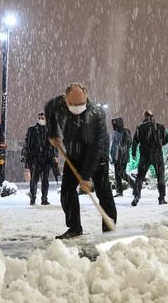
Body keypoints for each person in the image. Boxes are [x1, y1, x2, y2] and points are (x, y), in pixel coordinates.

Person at [45, 83, 117, 239]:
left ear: (87, 97)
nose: (77, 107)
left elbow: (95, 149)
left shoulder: (96, 114)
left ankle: (109, 231)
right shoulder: (59, 104)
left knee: (103, 191)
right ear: (65, 100)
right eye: (73, 104)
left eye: (81, 103)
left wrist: (85, 177)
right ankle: (74, 227)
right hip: (74, 153)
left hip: (97, 155)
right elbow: (49, 108)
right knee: (67, 191)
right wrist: (53, 133)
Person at [131, 110, 168, 206]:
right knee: (160, 176)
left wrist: (134, 153)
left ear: (145, 116)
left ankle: (136, 195)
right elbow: (167, 139)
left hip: (145, 155)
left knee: (140, 176)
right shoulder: (160, 127)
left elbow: (135, 141)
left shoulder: (140, 127)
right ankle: (161, 198)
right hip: (158, 155)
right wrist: (159, 144)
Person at [22, 112, 57, 205]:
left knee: (45, 180)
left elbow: (55, 146)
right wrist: (26, 156)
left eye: (43, 117)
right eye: (40, 117)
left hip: (46, 159)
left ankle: (44, 199)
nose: (41, 118)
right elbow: (27, 144)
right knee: (34, 179)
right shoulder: (32, 130)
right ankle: (33, 198)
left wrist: (55, 156)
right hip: (35, 159)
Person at [110, 117, 135, 197]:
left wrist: (121, 149)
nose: (114, 125)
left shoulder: (125, 131)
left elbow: (129, 142)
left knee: (122, 173)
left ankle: (135, 186)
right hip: (115, 157)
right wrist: (112, 154)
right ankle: (119, 191)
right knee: (117, 175)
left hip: (122, 157)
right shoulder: (115, 133)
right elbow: (113, 145)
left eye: (115, 123)